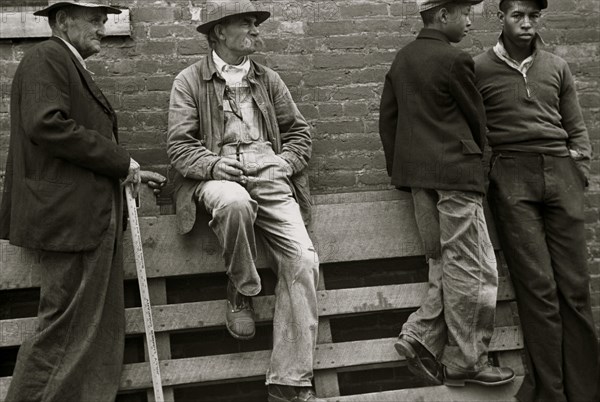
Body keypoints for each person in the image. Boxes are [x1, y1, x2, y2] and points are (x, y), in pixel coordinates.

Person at [0, 1, 165, 401]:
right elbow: (46, 124)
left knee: (85, 332)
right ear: (61, 20)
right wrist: (119, 160)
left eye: (105, 20)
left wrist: (129, 171)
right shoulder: (46, 58)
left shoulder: (66, 63)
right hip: (69, 220)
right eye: (93, 19)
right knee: (65, 331)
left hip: (84, 217)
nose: (103, 28)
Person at [166, 1, 321, 400]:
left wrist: (285, 162)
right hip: (217, 171)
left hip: (269, 170)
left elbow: (299, 132)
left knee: (303, 261)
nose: (256, 31)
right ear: (218, 32)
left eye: (256, 24)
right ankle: (242, 289)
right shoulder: (189, 81)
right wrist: (214, 166)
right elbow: (180, 147)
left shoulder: (268, 80)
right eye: (246, 24)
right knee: (234, 203)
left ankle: (289, 380)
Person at [379, 0, 515, 388]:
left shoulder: (403, 59)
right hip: (455, 174)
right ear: (442, 16)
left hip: (417, 177)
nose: (470, 21)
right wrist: (475, 161)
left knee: (444, 260)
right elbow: (476, 119)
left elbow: (388, 120)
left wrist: (402, 172)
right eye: (464, 14)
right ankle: (467, 360)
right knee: (473, 267)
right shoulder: (456, 60)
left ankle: (420, 336)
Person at [474, 1, 599, 400]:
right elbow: (477, 131)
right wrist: (492, 174)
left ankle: (586, 391)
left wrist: (577, 169)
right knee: (539, 289)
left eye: (533, 16)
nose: (526, 24)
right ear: (501, 18)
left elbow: (576, 127)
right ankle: (551, 392)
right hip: (512, 178)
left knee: (575, 287)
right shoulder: (478, 68)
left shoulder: (556, 66)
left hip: (561, 174)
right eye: (517, 15)